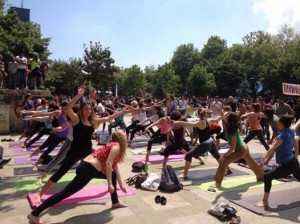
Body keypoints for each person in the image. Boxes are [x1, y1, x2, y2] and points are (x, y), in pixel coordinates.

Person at [34, 86, 125, 204]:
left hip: (88, 151)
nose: (88, 111)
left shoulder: (93, 121)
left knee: (110, 169)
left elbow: (108, 118)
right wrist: (78, 96)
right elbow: (68, 109)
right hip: (75, 151)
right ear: (81, 110)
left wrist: (121, 113)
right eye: (86, 109)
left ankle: (115, 200)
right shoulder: (76, 119)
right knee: (60, 172)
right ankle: (40, 194)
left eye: (90, 109)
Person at [27, 130, 128, 224]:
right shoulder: (117, 146)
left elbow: (115, 168)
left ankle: (115, 202)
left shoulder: (113, 146)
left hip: (88, 168)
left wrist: (121, 185)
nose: (125, 135)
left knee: (113, 174)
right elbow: (108, 164)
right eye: (124, 134)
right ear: (121, 138)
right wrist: (110, 184)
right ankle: (34, 214)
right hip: (87, 170)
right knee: (64, 194)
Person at [209, 109, 264, 189]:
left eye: (227, 115)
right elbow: (222, 114)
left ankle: (217, 182)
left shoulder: (233, 131)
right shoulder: (228, 123)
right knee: (251, 163)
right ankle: (262, 177)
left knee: (223, 162)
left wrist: (223, 156)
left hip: (241, 150)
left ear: (230, 119)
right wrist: (217, 108)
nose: (225, 116)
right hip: (243, 146)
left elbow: (233, 148)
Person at [255, 115, 300, 207]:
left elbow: (271, 149)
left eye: (278, 122)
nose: (277, 123)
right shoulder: (290, 130)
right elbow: (297, 124)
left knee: (267, 176)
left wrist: (262, 160)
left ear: (282, 124)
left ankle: (264, 201)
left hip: (289, 164)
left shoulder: (282, 136)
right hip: (293, 162)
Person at [180, 108, 231, 179]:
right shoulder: (209, 120)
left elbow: (189, 124)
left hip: (206, 144)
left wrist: (178, 122)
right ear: (205, 114)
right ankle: (228, 170)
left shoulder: (200, 123)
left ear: (198, 114)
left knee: (188, 155)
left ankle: (185, 175)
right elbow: (219, 118)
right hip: (211, 141)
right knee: (218, 157)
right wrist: (224, 113)